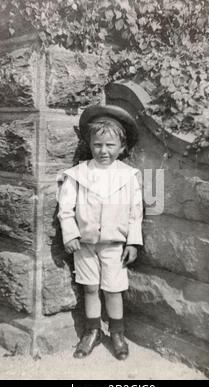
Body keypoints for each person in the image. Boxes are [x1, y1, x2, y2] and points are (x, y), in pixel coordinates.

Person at [57, 105, 143, 361]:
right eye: (97, 145)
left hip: (114, 246)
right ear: (89, 144)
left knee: (113, 290)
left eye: (110, 145)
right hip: (85, 245)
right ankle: (92, 331)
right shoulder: (78, 174)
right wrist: (70, 235)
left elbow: (135, 212)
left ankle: (117, 333)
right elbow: (65, 208)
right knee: (91, 288)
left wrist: (133, 242)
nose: (103, 151)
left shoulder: (128, 176)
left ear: (122, 147)